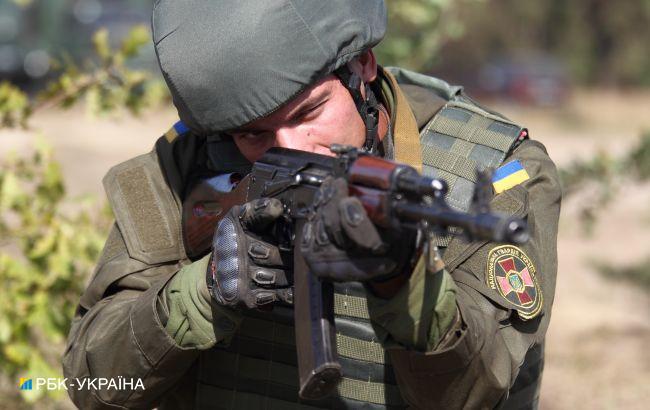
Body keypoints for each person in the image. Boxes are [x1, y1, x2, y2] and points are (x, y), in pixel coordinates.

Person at [62, 1, 561, 409]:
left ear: (363, 65)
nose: (292, 147)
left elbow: (477, 393)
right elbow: (91, 386)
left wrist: (400, 278)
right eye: (253, 134)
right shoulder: (185, 167)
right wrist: (203, 290)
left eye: (310, 112)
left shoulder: (498, 173)